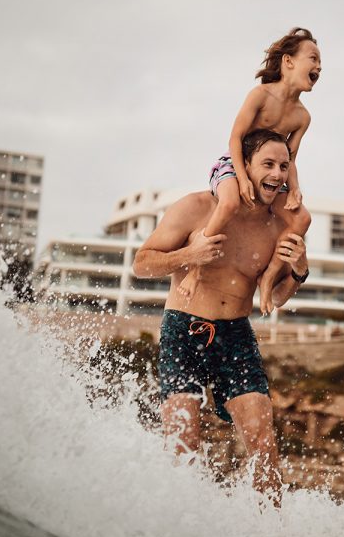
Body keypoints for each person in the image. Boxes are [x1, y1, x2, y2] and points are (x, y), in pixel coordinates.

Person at [132, 129, 310, 504]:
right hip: (184, 331)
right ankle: (182, 534)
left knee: (264, 447)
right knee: (183, 445)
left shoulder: (277, 227)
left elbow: (276, 297)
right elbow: (141, 264)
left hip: (236, 336)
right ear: (244, 166)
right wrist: (188, 256)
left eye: (284, 165)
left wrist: (298, 271)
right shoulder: (195, 208)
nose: (278, 175)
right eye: (268, 164)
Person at [177, 27, 320, 316]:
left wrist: (294, 189)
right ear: (288, 61)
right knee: (229, 202)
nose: (318, 67)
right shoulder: (260, 95)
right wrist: (241, 178)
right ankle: (195, 268)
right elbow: (234, 138)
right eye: (313, 58)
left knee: (302, 218)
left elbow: (289, 158)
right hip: (235, 163)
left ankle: (267, 278)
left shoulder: (302, 116)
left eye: (320, 65)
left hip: (272, 174)